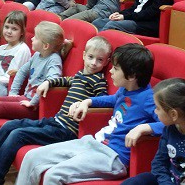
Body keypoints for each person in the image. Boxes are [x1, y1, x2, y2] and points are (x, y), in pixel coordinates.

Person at [0, 36, 112, 185]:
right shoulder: (79, 75)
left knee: (18, 135)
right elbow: (65, 80)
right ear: (84, 55)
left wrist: (85, 103)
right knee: (9, 126)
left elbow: (103, 101)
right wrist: (49, 83)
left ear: (106, 62)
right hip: (54, 122)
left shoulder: (98, 81)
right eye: (90, 57)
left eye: (100, 60)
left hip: (67, 131)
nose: (93, 63)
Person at [15, 44, 163, 185]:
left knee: (54, 175)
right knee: (31, 156)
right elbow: (112, 99)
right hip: (94, 143)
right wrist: (88, 101)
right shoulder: (126, 89)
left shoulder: (149, 99)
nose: (110, 72)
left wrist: (145, 128)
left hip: (113, 158)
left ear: (131, 76)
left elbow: (170, 125)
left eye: (115, 69)